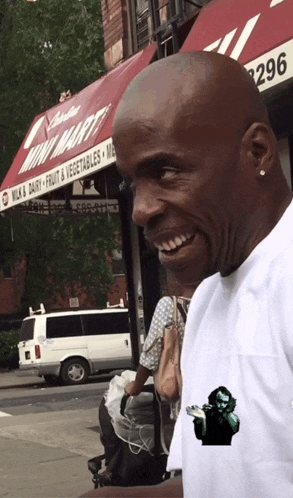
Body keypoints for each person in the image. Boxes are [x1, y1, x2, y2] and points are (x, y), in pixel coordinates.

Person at [81, 50, 293, 498]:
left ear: (258, 151)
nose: (140, 210)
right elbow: (214, 472)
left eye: (167, 171)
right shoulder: (206, 303)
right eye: (133, 182)